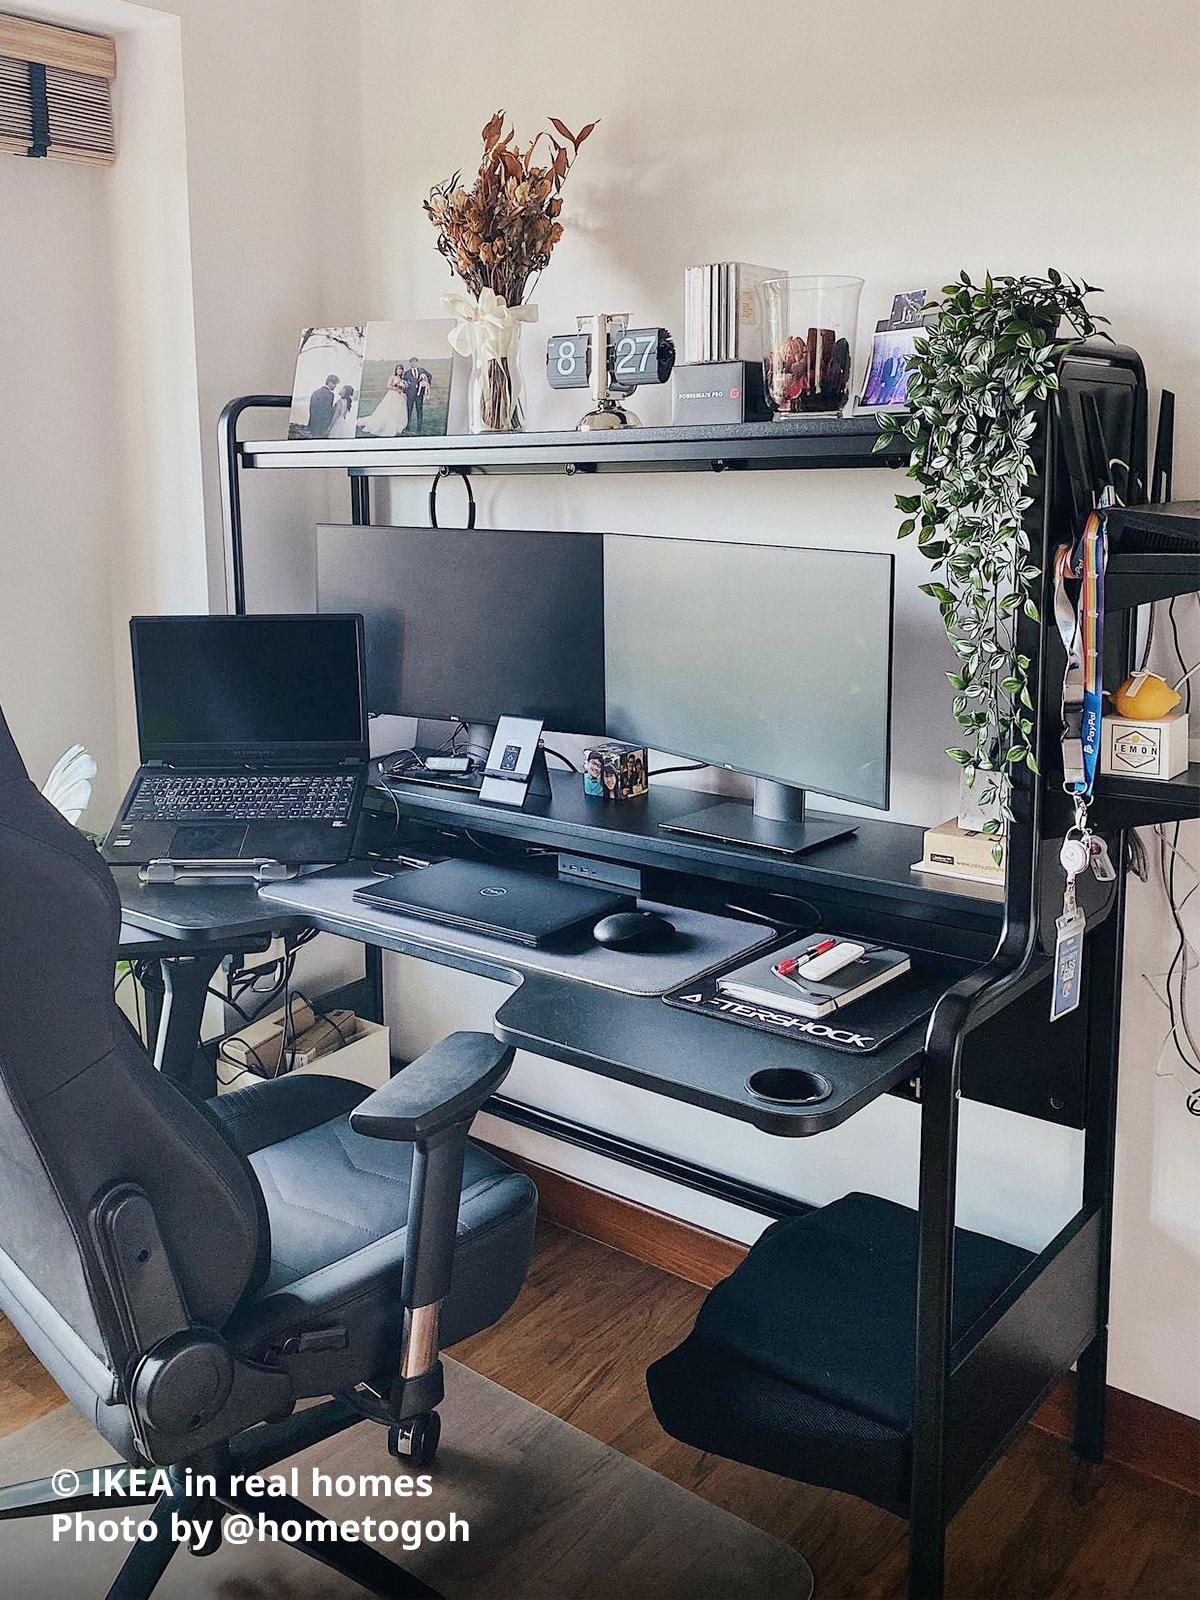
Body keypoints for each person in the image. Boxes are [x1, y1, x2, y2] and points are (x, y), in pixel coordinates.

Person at [359, 365, 409, 437]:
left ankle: (398, 425)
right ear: (396, 370)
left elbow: (403, 386)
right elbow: (388, 386)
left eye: (401, 369)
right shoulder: (393, 377)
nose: (400, 371)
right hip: (392, 395)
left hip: (400, 396)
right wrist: (396, 389)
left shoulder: (402, 378)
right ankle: (387, 424)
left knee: (398, 410)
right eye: (398, 369)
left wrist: (403, 388)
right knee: (390, 409)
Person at [402, 357, 434, 432]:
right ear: (410, 363)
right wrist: (406, 391)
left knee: (419, 410)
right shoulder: (407, 373)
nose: (413, 363)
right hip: (410, 395)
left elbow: (430, 376)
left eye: (414, 362)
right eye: (411, 362)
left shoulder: (422, 370)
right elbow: (404, 383)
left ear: (417, 362)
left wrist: (426, 384)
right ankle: (408, 426)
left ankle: (419, 428)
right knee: (409, 410)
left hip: (419, 395)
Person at [307, 373, 338, 438]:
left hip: (314, 422)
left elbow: (312, 409)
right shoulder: (331, 395)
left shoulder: (315, 392)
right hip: (324, 424)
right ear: (329, 382)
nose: (335, 386)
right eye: (334, 384)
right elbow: (329, 410)